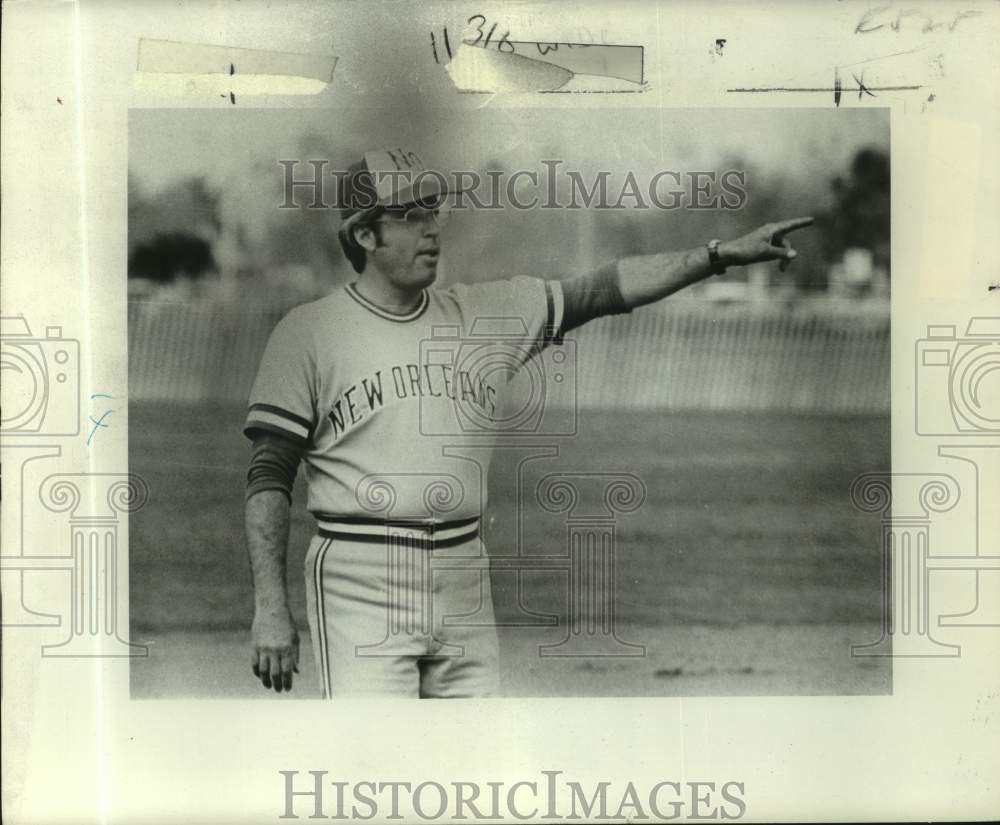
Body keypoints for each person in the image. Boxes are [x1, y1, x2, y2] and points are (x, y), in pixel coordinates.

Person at [243, 149, 814, 698]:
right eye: (411, 215)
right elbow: (270, 474)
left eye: (433, 210)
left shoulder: (485, 314)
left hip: (464, 566)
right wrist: (270, 605)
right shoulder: (308, 333)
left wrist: (718, 255)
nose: (432, 229)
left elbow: (605, 289)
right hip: (360, 571)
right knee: (377, 761)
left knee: (469, 764)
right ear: (365, 235)